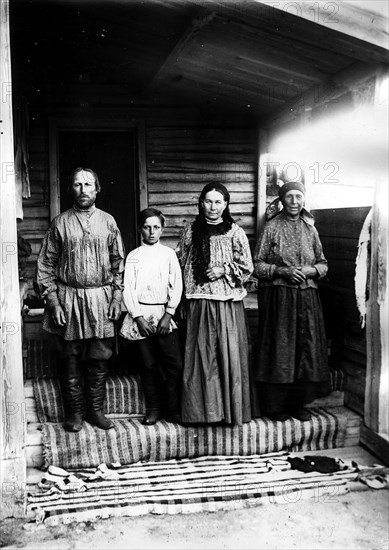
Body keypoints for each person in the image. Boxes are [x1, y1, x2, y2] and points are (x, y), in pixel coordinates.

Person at [36, 167, 125, 432]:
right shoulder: (60, 223)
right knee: (70, 358)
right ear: (70, 189)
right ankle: (74, 414)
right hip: (69, 298)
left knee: (98, 358)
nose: (83, 189)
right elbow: (45, 265)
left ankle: (95, 411)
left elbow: (117, 263)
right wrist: (53, 300)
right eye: (77, 184)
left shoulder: (108, 222)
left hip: (100, 297)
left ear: (97, 188)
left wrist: (116, 296)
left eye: (88, 184)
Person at [176, 182, 254, 426]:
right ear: (201, 203)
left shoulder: (235, 232)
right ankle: (203, 414)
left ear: (226, 204)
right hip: (199, 302)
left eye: (218, 202)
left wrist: (223, 269)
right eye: (208, 201)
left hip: (226, 304)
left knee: (227, 356)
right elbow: (181, 263)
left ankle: (229, 413)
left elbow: (247, 267)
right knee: (202, 358)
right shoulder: (190, 231)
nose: (213, 207)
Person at [252, 180, 330, 422]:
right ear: (281, 200)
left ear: (304, 199)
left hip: (307, 297)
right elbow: (257, 265)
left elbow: (323, 264)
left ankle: (298, 404)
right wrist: (281, 271)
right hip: (280, 297)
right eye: (289, 197)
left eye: (298, 197)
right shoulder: (271, 227)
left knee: (305, 350)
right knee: (281, 350)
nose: (294, 202)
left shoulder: (310, 230)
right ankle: (275, 407)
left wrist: (311, 271)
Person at [120, 208, 183, 425]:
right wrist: (138, 318)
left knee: (173, 365)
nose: (152, 232)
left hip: (164, 314)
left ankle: (172, 409)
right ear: (140, 229)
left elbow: (177, 285)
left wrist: (168, 314)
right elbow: (127, 288)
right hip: (141, 315)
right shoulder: (134, 257)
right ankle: (154, 409)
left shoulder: (169, 255)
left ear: (162, 229)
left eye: (156, 227)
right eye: (147, 227)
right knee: (148, 365)